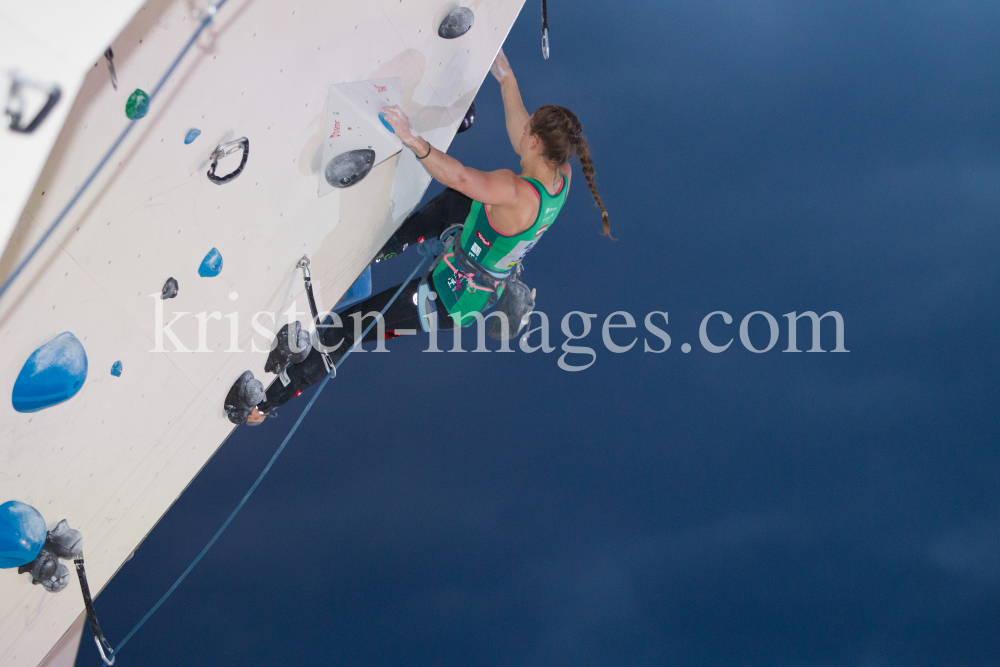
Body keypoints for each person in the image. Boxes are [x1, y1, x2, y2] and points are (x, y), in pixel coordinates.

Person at [240, 50, 610, 423]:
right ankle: (384, 245)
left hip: (449, 298)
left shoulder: (515, 192)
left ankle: (265, 404)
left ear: (536, 144)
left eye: (529, 129)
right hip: (478, 254)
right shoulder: (559, 177)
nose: (523, 129)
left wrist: (413, 139)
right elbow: (520, 142)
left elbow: (460, 176)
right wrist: (507, 80)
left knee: (347, 329)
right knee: (459, 202)